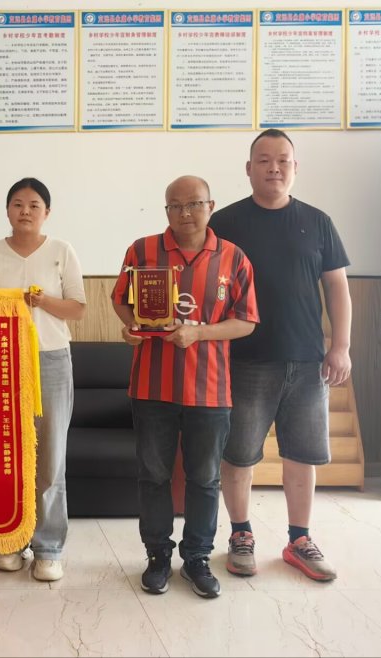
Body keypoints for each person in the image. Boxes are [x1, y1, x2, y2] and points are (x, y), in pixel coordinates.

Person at [212, 129, 352, 582]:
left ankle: (299, 539)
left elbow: (337, 288)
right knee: (238, 456)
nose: (274, 168)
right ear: (248, 168)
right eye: (264, 160)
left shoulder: (318, 221)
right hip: (244, 360)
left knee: (302, 456)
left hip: (307, 361)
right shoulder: (226, 223)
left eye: (283, 160)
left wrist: (341, 346)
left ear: (295, 167)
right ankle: (240, 534)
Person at [111, 175, 258, 599]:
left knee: (205, 479)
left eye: (194, 204)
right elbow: (121, 299)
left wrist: (200, 333)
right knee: (153, 476)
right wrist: (131, 328)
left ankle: (197, 558)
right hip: (151, 387)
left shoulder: (233, 257)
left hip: (210, 390)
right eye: (175, 206)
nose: (185, 213)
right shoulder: (142, 251)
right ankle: (158, 555)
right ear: (166, 211)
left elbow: (246, 321)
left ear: (211, 206)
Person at [0, 177, 86, 582]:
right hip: (0, 363)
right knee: (5, 455)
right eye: (18, 204)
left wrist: (41, 301)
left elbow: (77, 308)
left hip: (51, 360)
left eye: (34, 205)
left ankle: (48, 548)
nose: (25, 211)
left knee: (50, 457)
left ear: (47, 212)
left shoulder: (62, 251)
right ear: (7, 210)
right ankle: (10, 540)